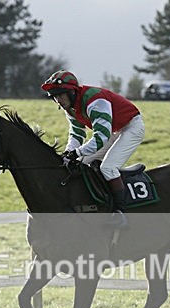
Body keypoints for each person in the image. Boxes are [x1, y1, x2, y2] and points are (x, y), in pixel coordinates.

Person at [41, 70, 145, 224]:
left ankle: (120, 213)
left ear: (72, 92)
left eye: (61, 95)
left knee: (108, 168)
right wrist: (69, 153)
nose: (58, 100)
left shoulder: (95, 100)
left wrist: (77, 152)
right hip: (113, 130)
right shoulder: (70, 107)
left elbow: (101, 137)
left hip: (132, 127)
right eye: (55, 96)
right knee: (80, 163)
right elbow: (76, 134)